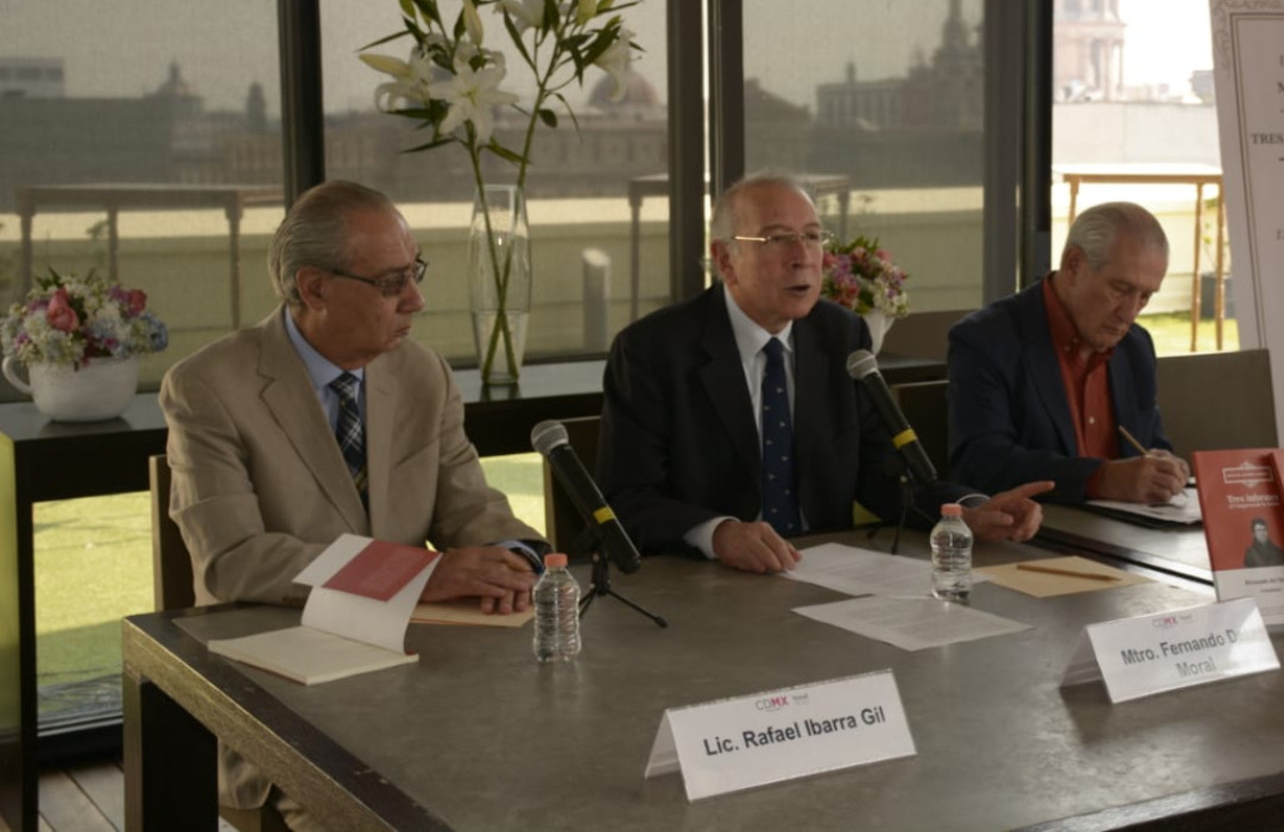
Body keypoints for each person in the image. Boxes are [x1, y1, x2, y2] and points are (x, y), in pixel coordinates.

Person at [161, 180, 549, 828]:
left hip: (425, 678)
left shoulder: (421, 373)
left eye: (416, 272)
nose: (417, 300)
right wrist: (422, 572)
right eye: (393, 281)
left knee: (542, 777)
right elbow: (235, 561)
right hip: (284, 694)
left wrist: (515, 557)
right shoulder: (209, 386)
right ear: (314, 288)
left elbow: (470, 506)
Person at [596, 172, 1051, 573]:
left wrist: (965, 511)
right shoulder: (654, 350)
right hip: (703, 583)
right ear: (726, 259)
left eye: (813, 237)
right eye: (777, 239)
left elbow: (882, 473)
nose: (803, 256)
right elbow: (628, 500)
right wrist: (718, 534)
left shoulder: (841, 335)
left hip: (824, 570)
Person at [946, 201, 1189, 505]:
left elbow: (1149, 443)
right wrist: (1100, 478)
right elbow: (980, 464)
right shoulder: (987, 340)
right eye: (1120, 289)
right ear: (1074, 264)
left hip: (1132, 538)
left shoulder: (1136, 347)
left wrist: (1165, 467)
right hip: (1036, 538)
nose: (1130, 313)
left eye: (1145, 296)